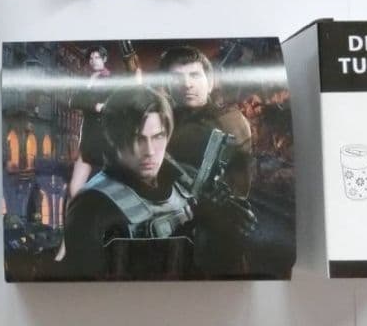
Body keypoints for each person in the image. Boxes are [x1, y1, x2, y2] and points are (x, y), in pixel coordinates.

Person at [64, 86, 254, 279]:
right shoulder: (90, 206)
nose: (150, 151)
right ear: (114, 138)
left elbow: (214, 273)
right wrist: (195, 223)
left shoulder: (185, 181)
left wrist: (223, 231)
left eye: (158, 137)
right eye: (138, 138)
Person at [160, 46, 254, 198]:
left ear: (210, 82)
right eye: (177, 77)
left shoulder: (230, 122)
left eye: (195, 75)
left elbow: (239, 188)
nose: (187, 84)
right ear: (167, 87)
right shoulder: (162, 120)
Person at [68, 45, 113, 197]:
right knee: (75, 187)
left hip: (106, 139)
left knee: (106, 188)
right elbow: (74, 101)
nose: (93, 61)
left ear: (104, 59)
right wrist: (94, 105)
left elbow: (115, 105)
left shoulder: (111, 80)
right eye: (91, 58)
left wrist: (103, 106)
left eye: (97, 57)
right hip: (88, 138)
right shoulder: (88, 80)